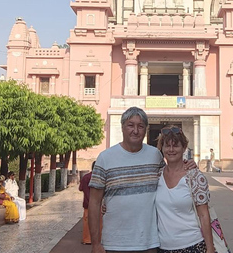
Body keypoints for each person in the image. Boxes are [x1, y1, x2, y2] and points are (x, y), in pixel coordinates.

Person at [89, 106, 197, 253]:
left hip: (150, 243)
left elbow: (170, 176)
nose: (135, 130)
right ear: (122, 128)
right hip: (115, 243)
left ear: (146, 129)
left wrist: (188, 165)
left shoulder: (155, 155)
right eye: (130, 125)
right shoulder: (105, 158)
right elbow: (94, 202)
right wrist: (95, 244)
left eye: (140, 126)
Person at [156, 125, 215, 253]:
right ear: (162, 148)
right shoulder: (157, 176)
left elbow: (204, 214)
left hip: (192, 245)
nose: (171, 150)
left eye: (175, 145)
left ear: (184, 148)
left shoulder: (194, 176)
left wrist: (210, 248)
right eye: (167, 145)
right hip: (163, 247)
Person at [79, 161, 97, 245]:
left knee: (86, 222)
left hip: (87, 203)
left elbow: (80, 188)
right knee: (99, 222)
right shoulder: (98, 178)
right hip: (97, 204)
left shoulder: (86, 177)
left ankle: (87, 239)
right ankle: (97, 239)